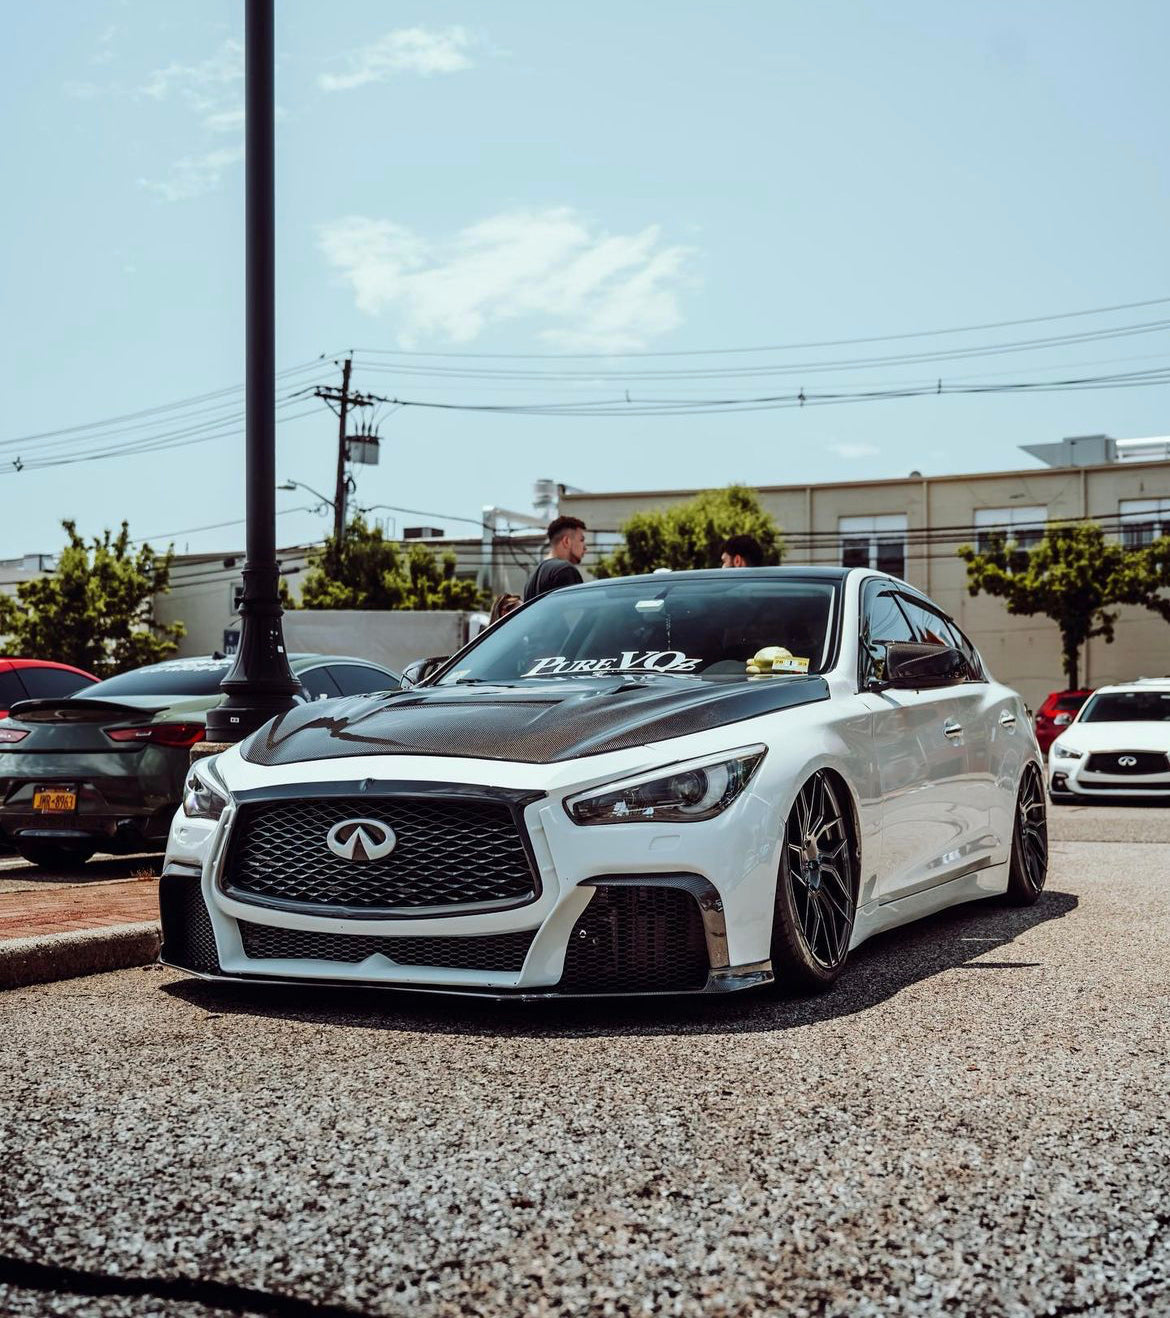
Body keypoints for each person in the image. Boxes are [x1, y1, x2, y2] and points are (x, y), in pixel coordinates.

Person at [523, 516, 588, 601]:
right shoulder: (565, 570)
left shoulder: (532, 578)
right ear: (566, 541)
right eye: (581, 540)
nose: (585, 548)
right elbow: (574, 610)